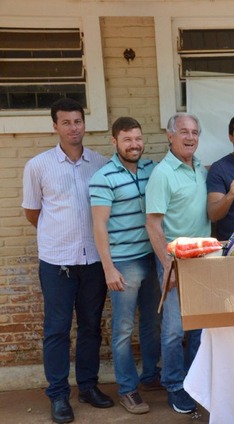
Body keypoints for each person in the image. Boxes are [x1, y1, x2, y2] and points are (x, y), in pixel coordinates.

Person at [22, 98, 114, 424]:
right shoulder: (38, 166)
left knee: (91, 326)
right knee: (57, 330)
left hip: (93, 261)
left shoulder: (101, 164)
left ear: (84, 124)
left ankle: (88, 385)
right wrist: (60, 234)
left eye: (78, 121)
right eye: (66, 122)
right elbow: (33, 212)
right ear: (55, 126)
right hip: (57, 262)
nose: (73, 128)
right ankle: (59, 394)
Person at [89, 117, 161, 414]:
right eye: (127, 139)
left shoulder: (151, 169)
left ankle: (150, 376)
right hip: (124, 261)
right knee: (123, 328)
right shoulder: (103, 177)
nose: (134, 145)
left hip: (152, 256)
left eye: (138, 138)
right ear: (114, 142)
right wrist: (108, 268)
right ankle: (128, 390)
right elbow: (99, 225)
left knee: (151, 323)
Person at [146, 112, 210, 414]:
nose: (190, 137)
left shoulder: (200, 167)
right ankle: (173, 385)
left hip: (202, 260)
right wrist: (167, 266)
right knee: (173, 329)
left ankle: (194, 383)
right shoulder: (162, 173)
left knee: (198, 328)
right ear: (170, 136)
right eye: (183, 131)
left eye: (195, 132)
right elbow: (153, 225)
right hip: (173, 261)